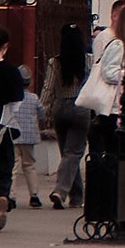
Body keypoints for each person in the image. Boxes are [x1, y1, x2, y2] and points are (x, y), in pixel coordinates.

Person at [45, 23, 87, 211]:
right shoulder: (88, 60)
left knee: (67, 152)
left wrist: (43, 107)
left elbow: (48, 87)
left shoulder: (55, 62)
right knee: (73, 152)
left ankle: (76, 196)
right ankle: (60, 191)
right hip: (80, 107)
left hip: (60, 107)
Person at [0, 32, 38, 210]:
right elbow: (17, 101)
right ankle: (2, 195)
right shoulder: (11, 72)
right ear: (5, 46)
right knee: (5, 165)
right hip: (4, 124)